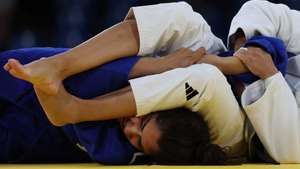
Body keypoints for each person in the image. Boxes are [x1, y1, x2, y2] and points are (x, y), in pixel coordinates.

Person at [0, 47, 228, 164]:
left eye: (138, 141)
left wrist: (43, 80)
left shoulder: (117, 153)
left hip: (30, 136)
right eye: (143, 121)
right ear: (157, 103)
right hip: (18, 74)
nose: (130, 128)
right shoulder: (131, 78)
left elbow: (59, 109)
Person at [226, 0, 300, 163]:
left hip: (240, 123)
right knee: (181, 17)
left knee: (202, 78)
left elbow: (293, 152)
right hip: (225, 61)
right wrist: (248, 48)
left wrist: (270, 75)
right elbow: (259, 9)